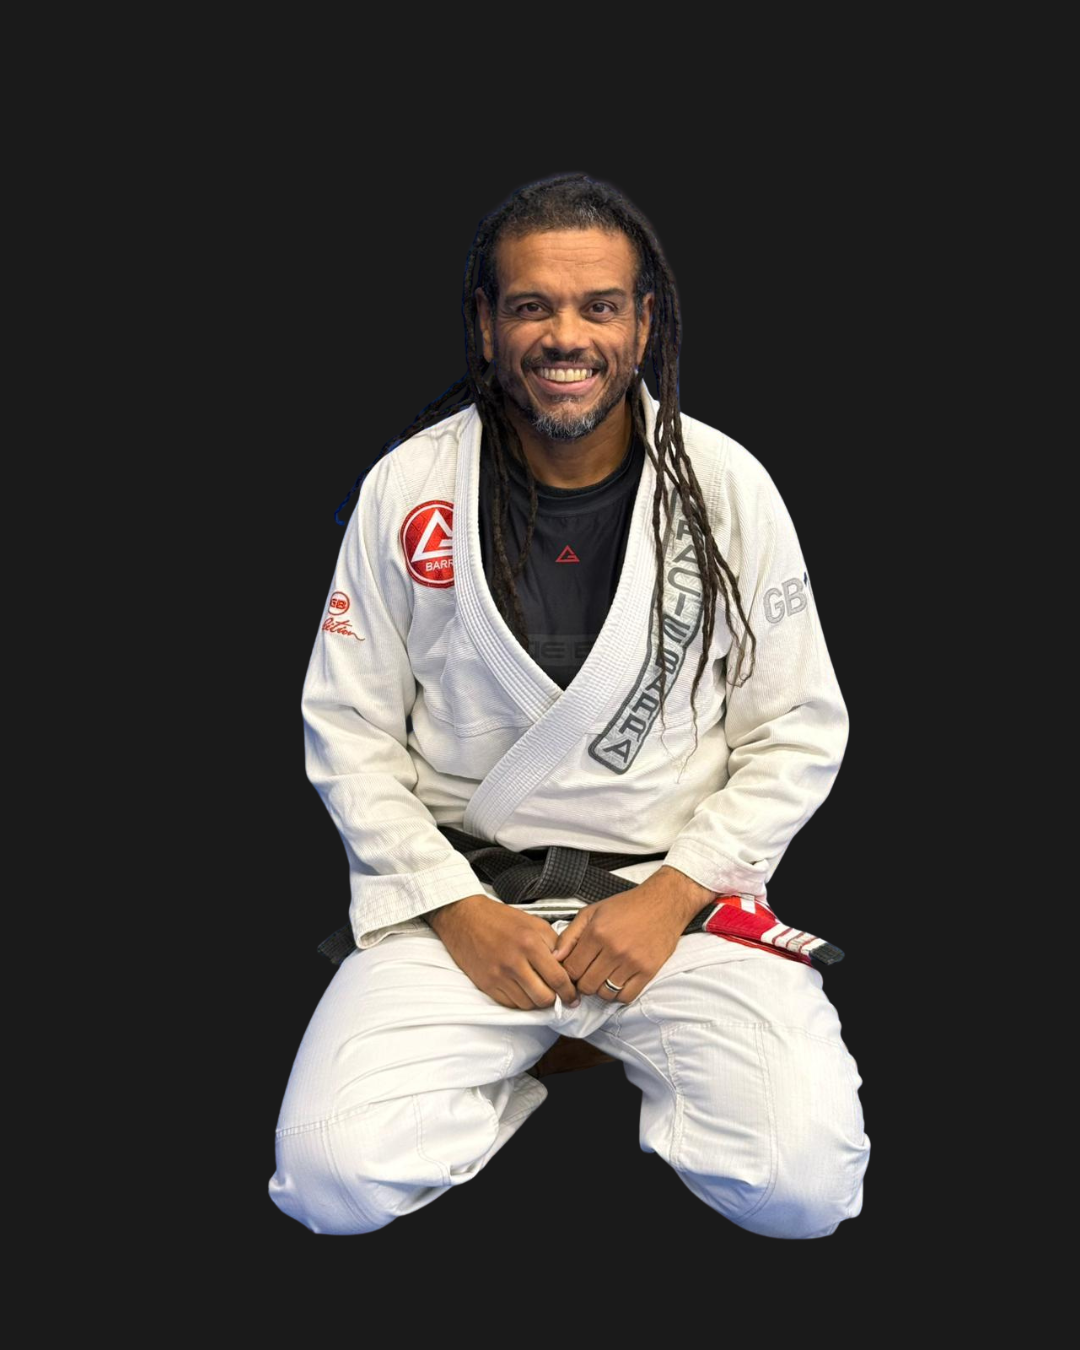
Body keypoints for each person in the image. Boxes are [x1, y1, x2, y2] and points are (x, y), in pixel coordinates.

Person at [268, 172, 871, 1239]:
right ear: (488, 324)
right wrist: (455, 912)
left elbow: (798, 727)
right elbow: (350, 732)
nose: (566, 335)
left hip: (669, 910)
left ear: (644, 326)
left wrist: (673, 896)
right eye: (532, 304)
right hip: (470, 906)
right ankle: (528, 1056)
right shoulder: (409, 491)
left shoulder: (726, 489)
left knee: (805, 1191)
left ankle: (594, 1041)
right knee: (330, 1183)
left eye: (599, 306)